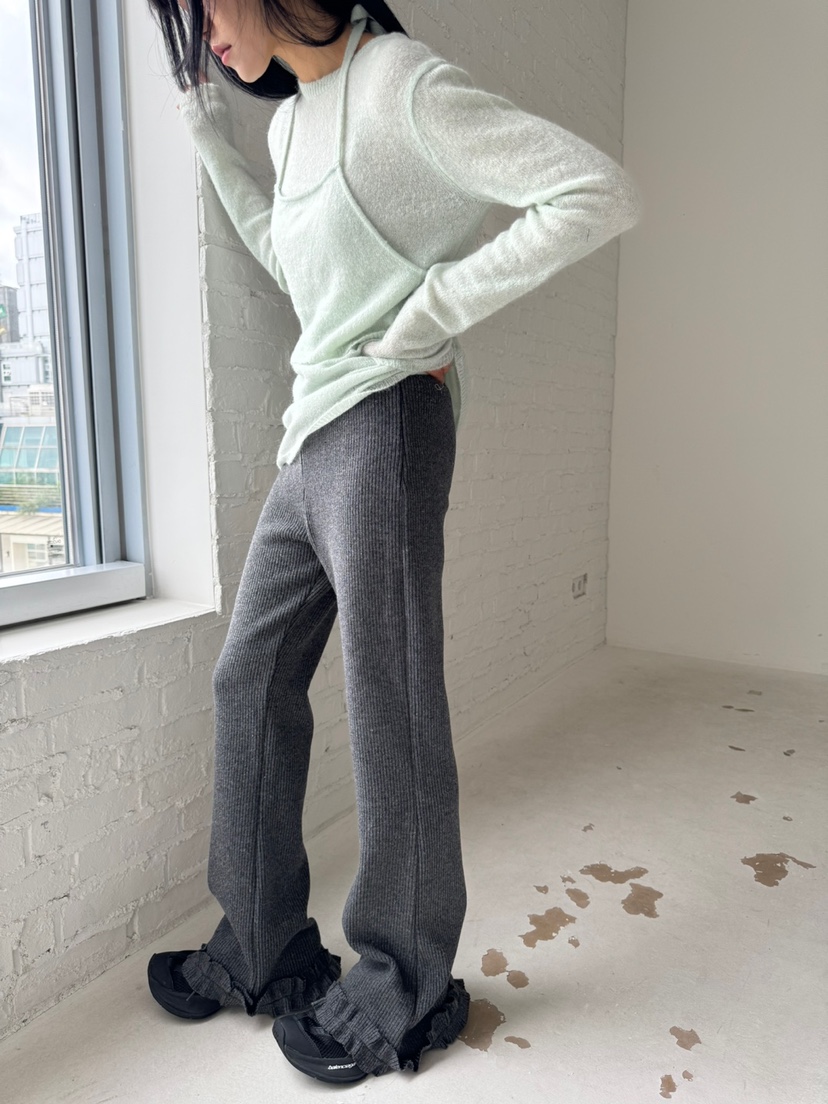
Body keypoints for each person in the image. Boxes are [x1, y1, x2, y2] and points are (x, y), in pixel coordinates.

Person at [143, 0, 643, 1085]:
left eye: (201, 3)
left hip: (386, 426)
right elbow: (293, 261)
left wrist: (431, 313)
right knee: (248, 680)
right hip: (313, 432)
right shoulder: (293, 122)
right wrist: (208, 139)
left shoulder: (399, 86)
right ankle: (265, 951)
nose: (202, 32)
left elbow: (594, 190)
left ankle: (405, 992)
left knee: (390, 704)